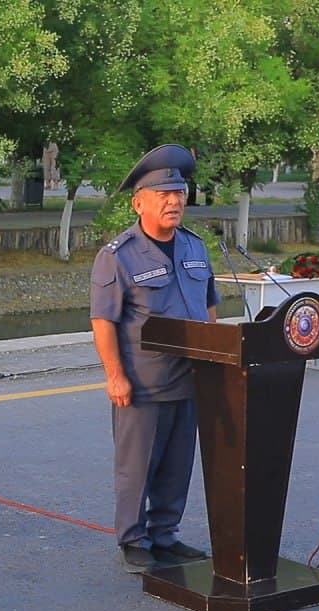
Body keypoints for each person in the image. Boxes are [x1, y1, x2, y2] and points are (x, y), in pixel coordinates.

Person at [89, 144, 220, 573]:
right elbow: (103, 321)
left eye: (179, 194)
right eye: (163, 195)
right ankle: (133, 538)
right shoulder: (118, 255)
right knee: (137, 465)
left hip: (190, 378)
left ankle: (165, 534)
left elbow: (209, 307)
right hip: (143, 382)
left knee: (178, 463)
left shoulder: (195, 247)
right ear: (138, 202)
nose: (174, 202)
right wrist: (115, 376)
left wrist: (216, 358)